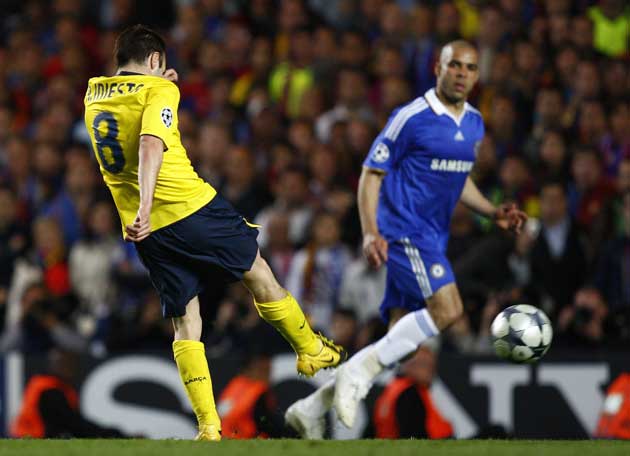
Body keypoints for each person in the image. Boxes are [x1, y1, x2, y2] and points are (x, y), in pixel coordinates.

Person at [82, 25, 344, 441]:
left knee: (186, 319)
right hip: (187, 209)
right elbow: (151, 143)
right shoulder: (160, 92)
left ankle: (208, 426)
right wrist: (149, 204)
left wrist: (142, 213)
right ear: (155, 61)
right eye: (162, 67)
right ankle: (309, 349)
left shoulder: (94, 94)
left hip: (145, 230)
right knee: (256, 270)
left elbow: (133, 107)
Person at [285, 40, 526, 437]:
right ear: (438, 68)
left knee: (403, 341)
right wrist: (370, 233)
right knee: (448, 310)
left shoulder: (474, 123)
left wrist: (491, 211)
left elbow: (458, 176)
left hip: (433, 234)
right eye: (455, 66)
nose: (462, 73)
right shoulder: (411, 117)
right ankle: (354, 375)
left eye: (470, 67)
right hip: (404, 228)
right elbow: (370, 174)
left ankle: (313, 406)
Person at [11, 348, 125, 438]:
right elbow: (73, 424)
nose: (71, 367)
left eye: (72, 363)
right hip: (33, 438)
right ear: (55, 365)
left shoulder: (52, 385)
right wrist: (111, 434)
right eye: (67, 363)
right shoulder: (49, 390)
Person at [373, 345, 453, 439]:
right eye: (424, 365)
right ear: (409, 366)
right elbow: (413, 436)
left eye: (432, 367)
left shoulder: (391, 390)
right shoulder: (410, 394)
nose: (430, 372)